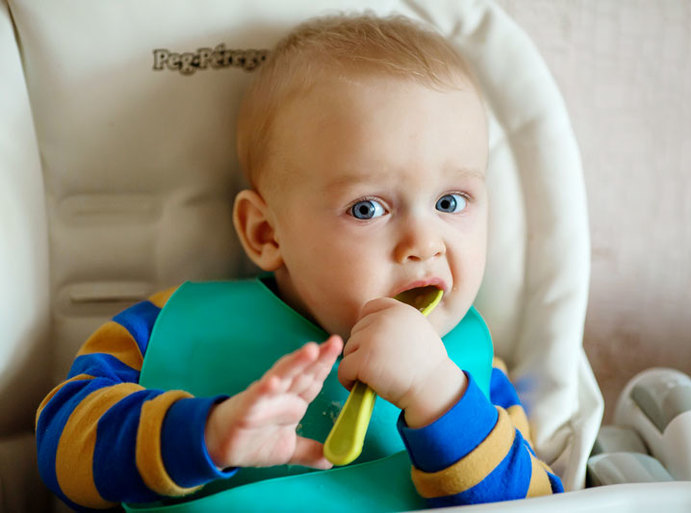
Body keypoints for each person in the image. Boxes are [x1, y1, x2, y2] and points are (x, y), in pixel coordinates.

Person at [35, 13, 563, 511]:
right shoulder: (170, 328)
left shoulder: (471, 372)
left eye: (450, 202)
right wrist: (205, 435)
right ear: (266, 233)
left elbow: (542, 499)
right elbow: (61, 450)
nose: (425, 243)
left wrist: (438, 396)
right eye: (367, 208)